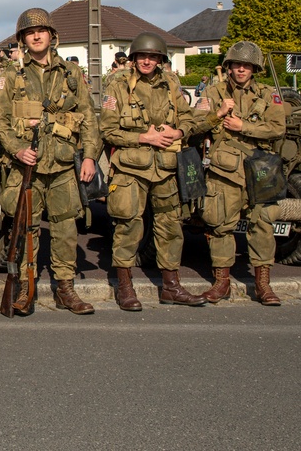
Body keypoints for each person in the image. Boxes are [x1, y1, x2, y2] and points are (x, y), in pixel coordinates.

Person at [0, 8, 101, 315]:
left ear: (52, 36)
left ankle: (65, 288)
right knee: (26, 229)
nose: (36, 36)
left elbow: (90, 119)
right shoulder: (11, 76)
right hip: (27, 165)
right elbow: (0, 120)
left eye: (41, 31)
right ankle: (26, 286)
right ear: (23, 39)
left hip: (64, 165)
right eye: (30, 32)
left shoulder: (71, 74)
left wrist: (90, 156)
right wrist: (16, 149)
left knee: (66, 229)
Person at [100, 31, 206, 309]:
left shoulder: (171, 85)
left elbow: (189, 118)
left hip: (166, 167)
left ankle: (171, 286)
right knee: (128, 226)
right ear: (134, 59)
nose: (147, 61)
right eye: (142, 56)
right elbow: (108, 130)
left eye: (153, 56)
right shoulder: (117, 86)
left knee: (171, 227)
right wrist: (144, 137)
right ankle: (125, 287)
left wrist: (179, 130)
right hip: (131, 168)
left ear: (160, 59)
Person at [197, 41, 286, 306]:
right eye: (236, 64)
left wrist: (242, 125)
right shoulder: (213, 93)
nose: (241, 69)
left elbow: (277, 128)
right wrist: (219, 114)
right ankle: (221, 282)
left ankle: (263, 285)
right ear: (229, 66)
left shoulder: (269, 95)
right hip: (225, 170)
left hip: (259, 170)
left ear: (254, 68)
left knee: (262, 225)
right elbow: (195, 123)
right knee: (220, 225)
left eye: (246, 65)